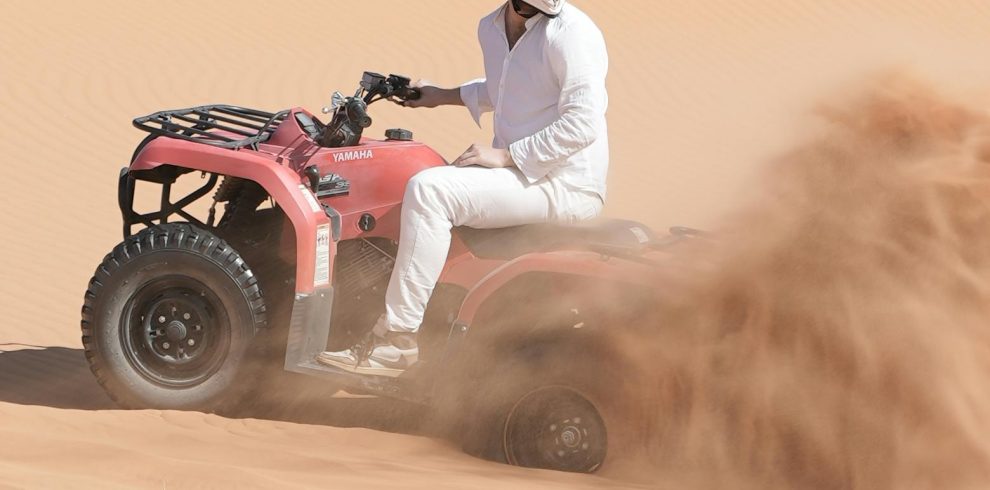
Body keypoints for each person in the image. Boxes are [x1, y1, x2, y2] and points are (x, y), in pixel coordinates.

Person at [317, 0, 609, 376]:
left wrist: (506, 157)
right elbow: (509, 86)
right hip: (526, 173)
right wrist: (438, 95)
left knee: (431, 190)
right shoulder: (491, 28)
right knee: (423, 176)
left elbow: (583, 123)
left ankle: (397, 341)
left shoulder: (572, 34)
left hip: (565, 183)